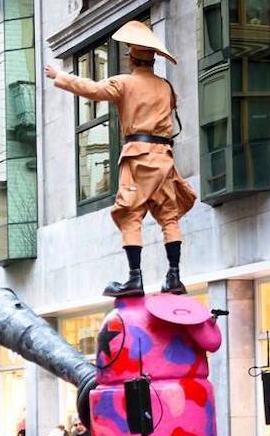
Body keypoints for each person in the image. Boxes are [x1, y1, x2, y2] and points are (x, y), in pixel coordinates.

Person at [46, 20, 196, 297]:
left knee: (130, 216)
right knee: (169, 218)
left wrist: (60, 75)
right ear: (152, 61)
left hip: (138, 158)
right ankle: (174, 276)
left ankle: (134, 278)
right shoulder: (165, 87)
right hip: (163, 159)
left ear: (131, 59)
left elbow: (92, 89)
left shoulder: (124, 83)